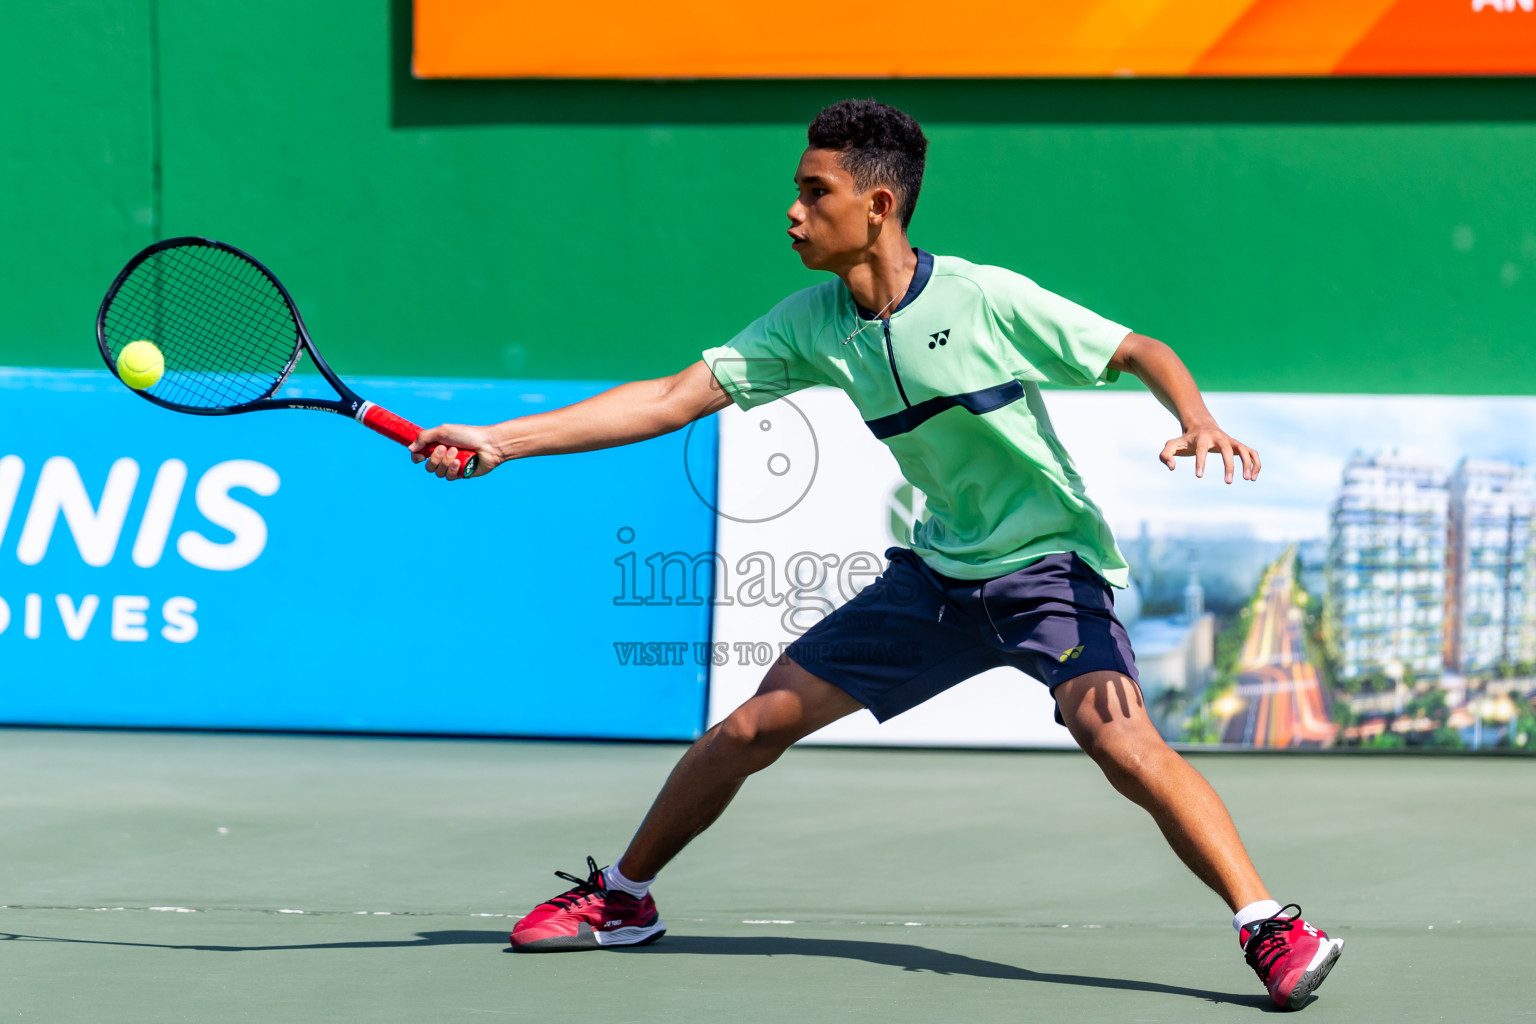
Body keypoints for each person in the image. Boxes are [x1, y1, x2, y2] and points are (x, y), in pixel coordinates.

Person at [411, 99, 1344, 1011]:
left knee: (1121, 740)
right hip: (936, 581)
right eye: (796, 190)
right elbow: (667, 398)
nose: (793, 211)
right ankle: (624, 896)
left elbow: (1140, 348)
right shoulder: (807, 324)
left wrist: (1196, 419)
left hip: (1046, 570)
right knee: (748, 729)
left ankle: (1268, 926)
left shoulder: (984, 298)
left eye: (815, 193)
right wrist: (503, 440)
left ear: (879, 206)